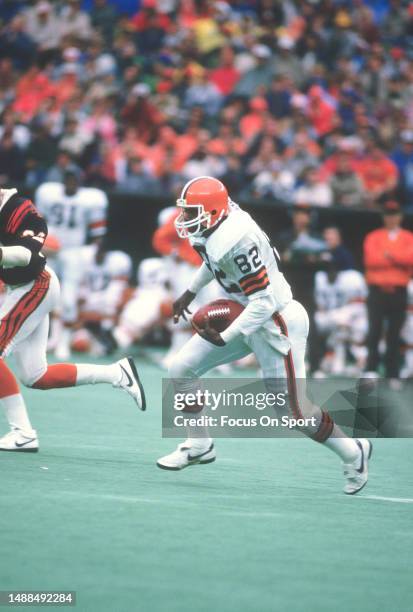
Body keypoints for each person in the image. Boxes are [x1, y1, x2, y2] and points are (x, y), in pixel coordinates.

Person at [157, 176, 372, 495]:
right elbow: (212, 262)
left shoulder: (236, 237)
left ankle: (354, 452)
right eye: (186, 211)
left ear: (214, 212)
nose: (186, 218)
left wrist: (226, 337)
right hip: (246, 310)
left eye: (192, 212)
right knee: (181, 369)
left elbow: (264, 302)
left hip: (275, 320)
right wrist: (189, 293)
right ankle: (199, 443)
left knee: (294, 413)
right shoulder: (213, 226)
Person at [0, 187, 145, 453]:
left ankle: (23, 433)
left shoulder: (19, 209)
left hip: (34, 285)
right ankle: (116, 373)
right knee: (36, 376)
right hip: (18, 287)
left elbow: (25, 254)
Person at [35, 166, 108, 358]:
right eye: (67, 178)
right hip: (50, 250)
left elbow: (98, 232)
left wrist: (92, 252)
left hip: (73, 252)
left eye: (74, 178)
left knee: (68, 299)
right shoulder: (49, 193)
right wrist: (38, 241)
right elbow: (37, 221)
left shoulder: (90, 199)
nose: (70, 182)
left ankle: (64, 341)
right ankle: (49, 338)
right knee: (43, 294)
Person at [363, 200, 413, 379]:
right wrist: (397, 259)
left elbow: (411, 259)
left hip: (398, 291)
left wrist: (388, 254)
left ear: (400, 216)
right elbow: (371, 260)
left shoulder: (408, 237)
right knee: (374, 330)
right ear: (384, 217)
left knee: (394, 333)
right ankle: (371, 368)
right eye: (388, 215)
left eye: (394, 214)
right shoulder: (373, 236)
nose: (391, 218)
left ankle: (393, 372)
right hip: (377, 291)